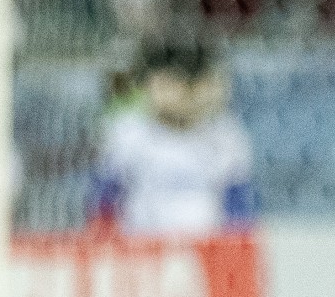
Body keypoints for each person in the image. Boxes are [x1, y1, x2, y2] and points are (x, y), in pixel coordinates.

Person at [94, 37, 257, 236]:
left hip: (206, 250)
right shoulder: (128, 133)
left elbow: (238, 206)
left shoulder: (226, 135)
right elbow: (104, 200)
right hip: (143, 248)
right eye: (163, 82)